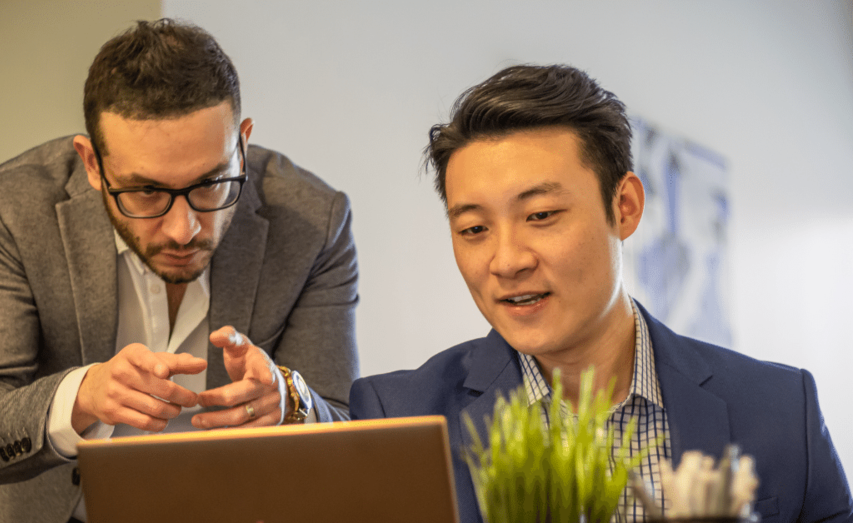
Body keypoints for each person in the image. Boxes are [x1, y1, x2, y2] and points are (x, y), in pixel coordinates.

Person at [349, 64, 851, 523]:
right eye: (475, 228)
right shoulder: (400, 418)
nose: (507, 261)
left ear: (625, 207)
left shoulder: (782, 409)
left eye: (540, 215)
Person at [0, 19, 359, 522]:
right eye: (147, 191)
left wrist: (290, 403)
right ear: (92, 165)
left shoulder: (314, 222)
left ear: (242, 144)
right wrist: (83, 396)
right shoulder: (12, 209)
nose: (183, 229)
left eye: (209, 184)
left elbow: (342, 429)